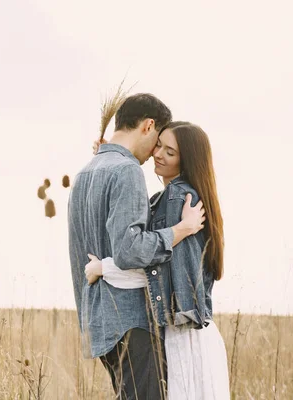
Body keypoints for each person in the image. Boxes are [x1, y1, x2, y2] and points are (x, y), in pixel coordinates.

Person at [67, 94, 206, 400]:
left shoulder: (85, 173)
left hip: (100, 323)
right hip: (132, 322)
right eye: (158, 142)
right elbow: (129, 251)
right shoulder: (126, 170)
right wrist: (180, 230)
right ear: (148, 125)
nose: (155, 153)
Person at [86, 121, 230, 399]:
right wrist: (110, 153)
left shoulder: (178, 199)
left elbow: (157, 269)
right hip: (198, 334)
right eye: (159, 145)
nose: (159, 154)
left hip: (186, 338)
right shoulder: (168, 197)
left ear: (187, 160)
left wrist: (102, 268)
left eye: (171, 152)